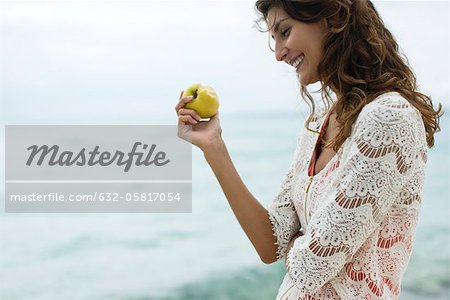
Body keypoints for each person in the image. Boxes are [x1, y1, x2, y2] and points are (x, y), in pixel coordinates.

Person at [175, 0, 442, 299]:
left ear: (333, 17)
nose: (279, 53)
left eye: (285, 32)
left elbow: (310, 266)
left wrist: (303, 245)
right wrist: (214, 147)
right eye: (274, 39)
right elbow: (269, 244)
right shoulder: (317, 124)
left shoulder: (390, 115)